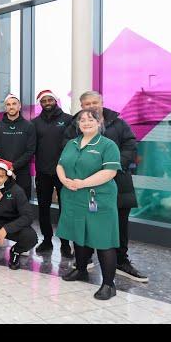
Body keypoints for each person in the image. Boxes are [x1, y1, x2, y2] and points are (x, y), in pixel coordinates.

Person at [63, 91, 146, 282]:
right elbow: (67, 150)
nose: (91, 106)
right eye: (86, 104)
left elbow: (130, 146)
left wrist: (112, 166)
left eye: (95, 102)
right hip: (85, 188)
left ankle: (121, 262)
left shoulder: (119, 123)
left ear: (102, 103)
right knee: (83, 225)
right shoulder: (74, 126)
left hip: (117, 184)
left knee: (118, 227)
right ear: (81, 106)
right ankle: (83, 263)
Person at [57, 109, 122, 300]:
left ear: (99, 122)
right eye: (82, 120)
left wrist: (82, 183)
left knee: (103, 240)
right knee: (79, 234)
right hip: (72, 196)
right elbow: (60, 164)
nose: (85, 122)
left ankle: (109, 284)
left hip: (98, 198)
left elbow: (110, 172)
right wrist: (64, 180)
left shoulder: (107, 145)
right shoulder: (72, 143)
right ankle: (81, 270)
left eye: (90, 119)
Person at [31, 89, 74, 258]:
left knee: (66, 209)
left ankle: (65, 243)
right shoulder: (35, 123)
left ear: (56, 100)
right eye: (43, 101)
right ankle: (47, 240)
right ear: (40, 103)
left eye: (50, 100)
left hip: (63, 173)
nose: (47, 103)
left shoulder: (68, 120)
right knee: (43, 208)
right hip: (42, 172)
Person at [0, 93, 36, 201]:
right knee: (2, 205)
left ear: (19, 106)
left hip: (22, 173)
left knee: (22, 204)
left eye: (14, 104)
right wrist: (4, 166)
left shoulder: (29, 126)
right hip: (0, 173)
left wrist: (13, 166)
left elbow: (30, 150)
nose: (11, 106)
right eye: (8, 104)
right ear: (5, 108)